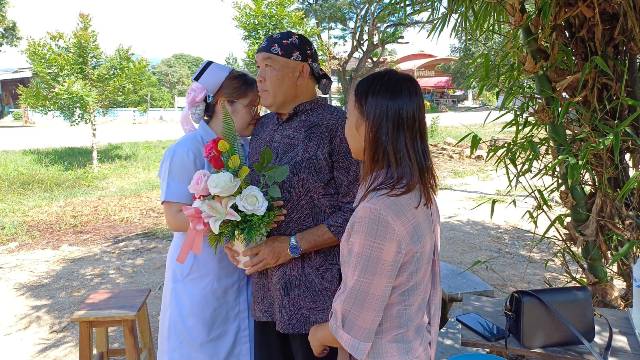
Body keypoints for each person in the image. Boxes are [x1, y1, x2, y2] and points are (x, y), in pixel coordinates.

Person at [228, 31, 360, 360]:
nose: (258, 76)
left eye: (268, 65)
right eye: (257, 66)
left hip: (319, 305)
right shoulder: (262, 129)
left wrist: (291, 246)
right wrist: (238, 236)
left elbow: (358, 213)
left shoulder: (338, 127)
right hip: (267, 299)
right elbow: (253, 200)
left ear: (301, 71)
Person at [308, 69, 442, 360]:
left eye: (349, 116)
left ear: (370, 127)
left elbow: (354, 326)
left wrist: (318, 333)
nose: (345, 127)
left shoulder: (378, 214)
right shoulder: (416, 190)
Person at [157, 61, 260, 360]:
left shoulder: (245, 148)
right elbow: (175, 218)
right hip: (201, 268)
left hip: (236, 266)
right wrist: (224, 213)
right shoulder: (185, 150)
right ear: (225, 105)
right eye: (251, 106)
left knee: (241, 340)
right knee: (201, 344)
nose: (257, 115)